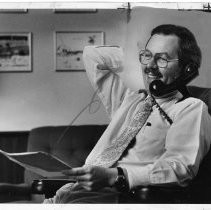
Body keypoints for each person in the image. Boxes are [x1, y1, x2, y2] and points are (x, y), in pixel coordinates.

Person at [44, 24, 211, 203]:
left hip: (121, 197)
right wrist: (139, 55)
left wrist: (115, 176)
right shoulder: (130, 101)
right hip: (71, 192)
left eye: (162, 59)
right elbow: (92, 56)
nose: (150, 67)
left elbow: (179, 167)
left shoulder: (190, 108)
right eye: (147, 56)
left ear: (187, 70)